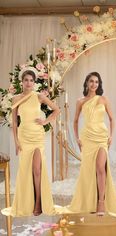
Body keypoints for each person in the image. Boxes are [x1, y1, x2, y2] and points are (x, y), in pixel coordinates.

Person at [1, 68, 60, 217]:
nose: (29, 83)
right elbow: (14, 122)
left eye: (31, 80)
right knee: (25, 171)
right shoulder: (15, 98)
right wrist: (16, 142)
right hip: (24, 136)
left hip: (37, 135)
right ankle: (27, 203)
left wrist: (45, 121)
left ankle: (38, 203)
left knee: (37, 170)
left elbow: (56, 109)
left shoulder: (39, 96)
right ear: (22, 82)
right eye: (26, 80)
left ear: (34, 83)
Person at [68, 72, 116, 216]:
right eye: (91, 81)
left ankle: (101, 201)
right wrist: (77, 138)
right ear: (86, 83)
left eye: (96, 82)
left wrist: (111, 136)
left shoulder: (103, 99)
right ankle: (89, 201)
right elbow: (75, 121)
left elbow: (112, 119)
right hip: (87, 137)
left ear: (99, 84)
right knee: (88, 170)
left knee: (101, 167)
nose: (94, 84)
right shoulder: (80, 101)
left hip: (101, 136)